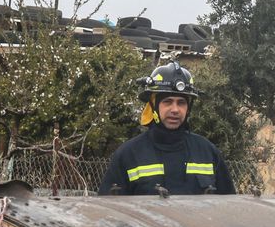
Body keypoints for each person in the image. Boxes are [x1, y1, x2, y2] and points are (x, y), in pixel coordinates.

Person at [97, 63, 236, 196]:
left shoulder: (208, 152)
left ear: (188, 108)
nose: (175, 109)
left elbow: (230, 208)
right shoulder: (128, 155)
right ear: (153, 105)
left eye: (181, 103)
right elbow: (110, 212)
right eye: (167, 102)